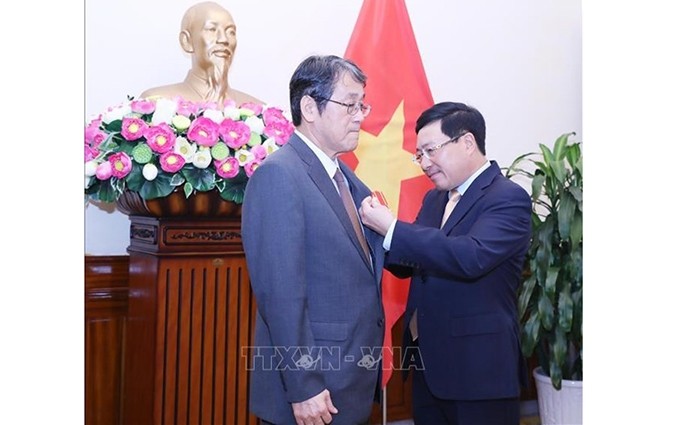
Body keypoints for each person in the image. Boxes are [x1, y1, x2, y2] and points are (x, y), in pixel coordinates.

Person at [359, 101, 532, 425]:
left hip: (479, 371)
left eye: (430, 150)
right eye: (419, 154)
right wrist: (371, 236)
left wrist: (393, 229)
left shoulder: (507, 197)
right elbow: (417, 258)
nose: (423, 163)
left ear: (467, 142)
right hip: (428, 363)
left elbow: (470, 257)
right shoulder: (435, 198)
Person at [241, 55, 386, 425]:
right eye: (349, 104)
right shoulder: (280, 175)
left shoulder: (348, 179)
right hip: (312, 389)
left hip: (349, 380)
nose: (360, 116)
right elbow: (281, 293)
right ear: (309, 106)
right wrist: (303, 385)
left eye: (362, 105)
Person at [140, 1, 263, 105]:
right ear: (187, 41)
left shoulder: (260, 112)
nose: (224, 39)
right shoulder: (157, 103)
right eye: (212, 29)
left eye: (230, 32)